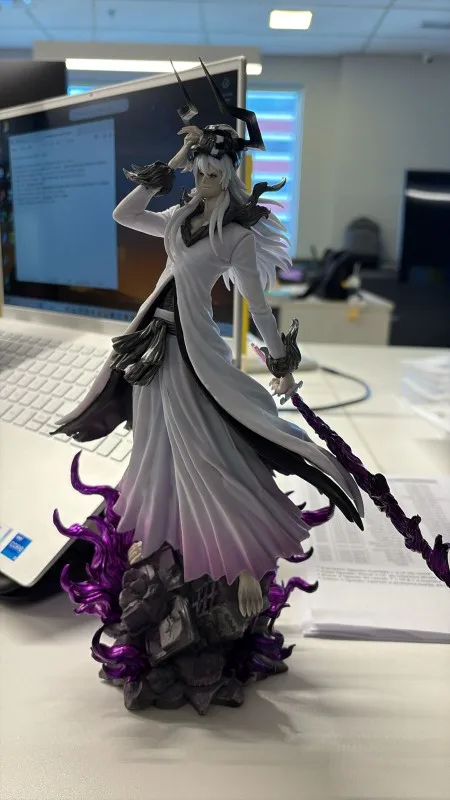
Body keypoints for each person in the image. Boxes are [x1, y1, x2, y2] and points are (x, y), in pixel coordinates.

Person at [53, 64, 364, 713]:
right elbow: (123, 212)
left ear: (233, 170)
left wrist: (280, 359)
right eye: (199, 168)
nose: (204, 178)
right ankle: (158, 550)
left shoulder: (238, 235)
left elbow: (260, 307)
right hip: (156, 355)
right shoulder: (178, 218)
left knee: (211, 459)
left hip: (199, 358)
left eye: (213, 168)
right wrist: (173, 160)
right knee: (155, 456)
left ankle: (238, 561)